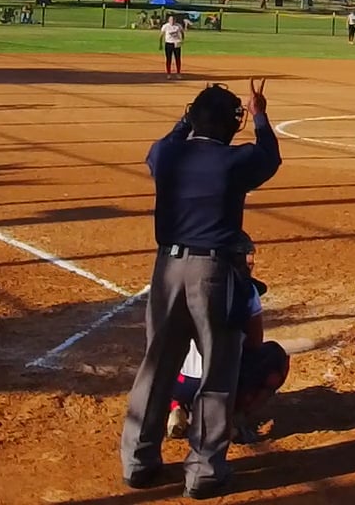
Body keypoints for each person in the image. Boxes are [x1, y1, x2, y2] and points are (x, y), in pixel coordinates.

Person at [120, 80, 281, 497]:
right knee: (218, 370)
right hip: (213, 272)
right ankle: (204, 471)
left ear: (192, 118)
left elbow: (164, 145)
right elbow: (269, 156)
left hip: (166, 270)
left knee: (157, 364)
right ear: (231, 123)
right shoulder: (233, 161)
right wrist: (260, 114)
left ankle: (138, 461)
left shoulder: (167, 153)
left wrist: (184, 121)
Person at [166, 246, 290, 446]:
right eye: (247, 260)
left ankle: (176, 406)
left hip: (179, 382)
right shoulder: (246, 289)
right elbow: (254, 343)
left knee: (171, 355)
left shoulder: (184, 283)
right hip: (221, 386)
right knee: (276, 357)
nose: (250, 265)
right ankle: (231, 419)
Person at [162, 12, 188, 77]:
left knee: (178, 59)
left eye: (173, 20)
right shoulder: (166, 26)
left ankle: (178, 73)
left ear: (175, 20)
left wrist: (182, 40)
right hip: (168, 43)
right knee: (168, 59)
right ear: (168, 20)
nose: (172, 21)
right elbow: (161, 34)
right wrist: (160, 44)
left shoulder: (178, 26)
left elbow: (182, 33)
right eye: (171, 20)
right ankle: (168, 73)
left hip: (176, 43)